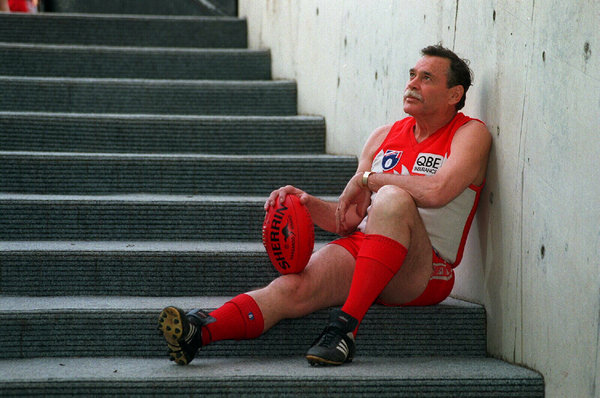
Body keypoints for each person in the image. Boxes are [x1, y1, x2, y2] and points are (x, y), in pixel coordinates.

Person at [158, 44, 492, 366]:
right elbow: (348, 218)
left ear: (454, 95)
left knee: (392, 197)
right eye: (411, 75)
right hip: (369, 249)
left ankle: (345, 329)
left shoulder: (469, 134)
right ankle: (200, 332)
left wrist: (372, 180)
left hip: (423, 270)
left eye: (426, 78)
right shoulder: (383, 136)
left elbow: (436, 192)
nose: (412, 84)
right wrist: (304, 202)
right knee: (294, 287)